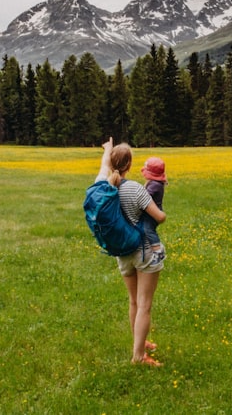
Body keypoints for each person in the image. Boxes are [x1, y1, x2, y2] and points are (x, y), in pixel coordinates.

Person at [95, 138, 166, 366]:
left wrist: (107, 151)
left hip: (121, 253)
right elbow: (159, 217)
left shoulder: (103, 185)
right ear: (129, 165)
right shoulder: (135, 189)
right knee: (145, 304)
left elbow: (104, 167)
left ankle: (140, 342)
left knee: (134, 302)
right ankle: (138, 356)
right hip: (143, 250)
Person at [140, 157, 167, 261]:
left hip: (153, 214)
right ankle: (151, 248)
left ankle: (158, 251)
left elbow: (145, 196)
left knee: (148, 230)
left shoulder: (155, 185)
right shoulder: (154, 182)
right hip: (151, 212)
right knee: (146, 229)